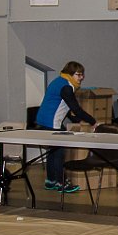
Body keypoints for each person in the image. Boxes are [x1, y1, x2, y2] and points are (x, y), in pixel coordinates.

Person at [35, 61, 97, 193]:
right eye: (78, 75)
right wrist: (93, 122)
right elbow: (76, 109)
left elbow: (65, 107)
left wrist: (76, 120)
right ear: (70, 74)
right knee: (59, 153)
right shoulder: (66, 87)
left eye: (82, 75)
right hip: (51, 122)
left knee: (52, 151)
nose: (81, 78)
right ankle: (61, 183)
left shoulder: (59, 81)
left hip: (43, 120)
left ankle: (51, 181)